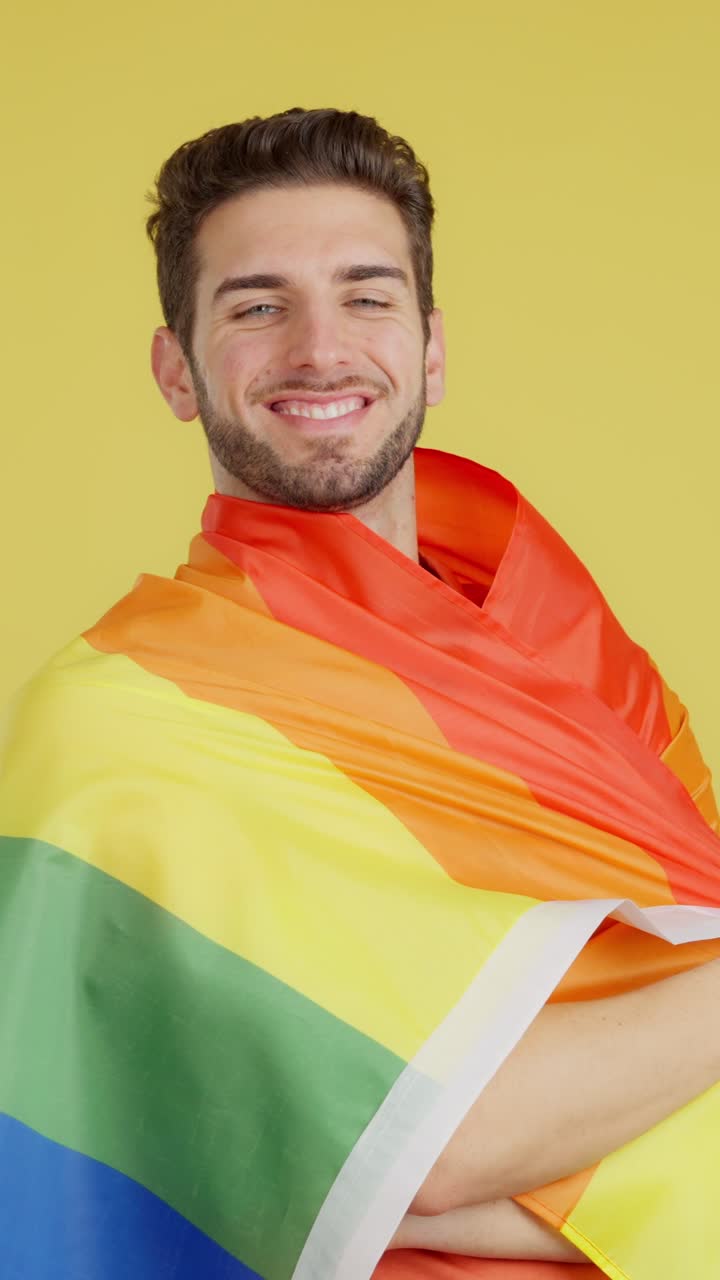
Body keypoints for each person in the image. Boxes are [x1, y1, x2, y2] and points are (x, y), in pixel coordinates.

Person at [1, 106, 719, 1280]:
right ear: (176, 368)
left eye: (367, 295)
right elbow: (404, 1150)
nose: (320, 349)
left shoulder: (568, 649)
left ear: (431, 349)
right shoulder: (117, 725)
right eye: (257, 306)